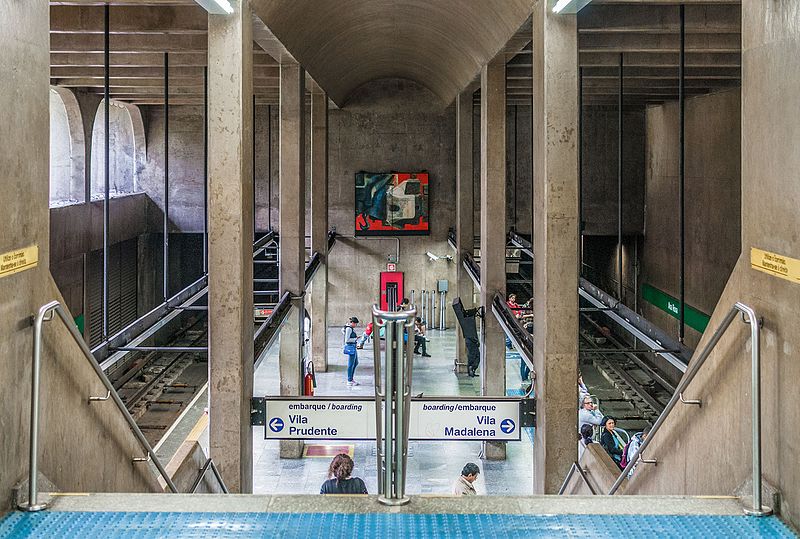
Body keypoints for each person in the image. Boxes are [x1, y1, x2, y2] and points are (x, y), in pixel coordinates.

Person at [342, 317, 360, 386]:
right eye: (355, 324)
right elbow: (347, 340)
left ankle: (351, 378)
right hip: (351, 347)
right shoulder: (349, 329)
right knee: (351, 364)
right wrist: (355, 339)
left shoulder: (349, 328)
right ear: (352, 323)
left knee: (355, 363)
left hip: (353, 346)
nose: (356, 325)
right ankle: (349, 380)